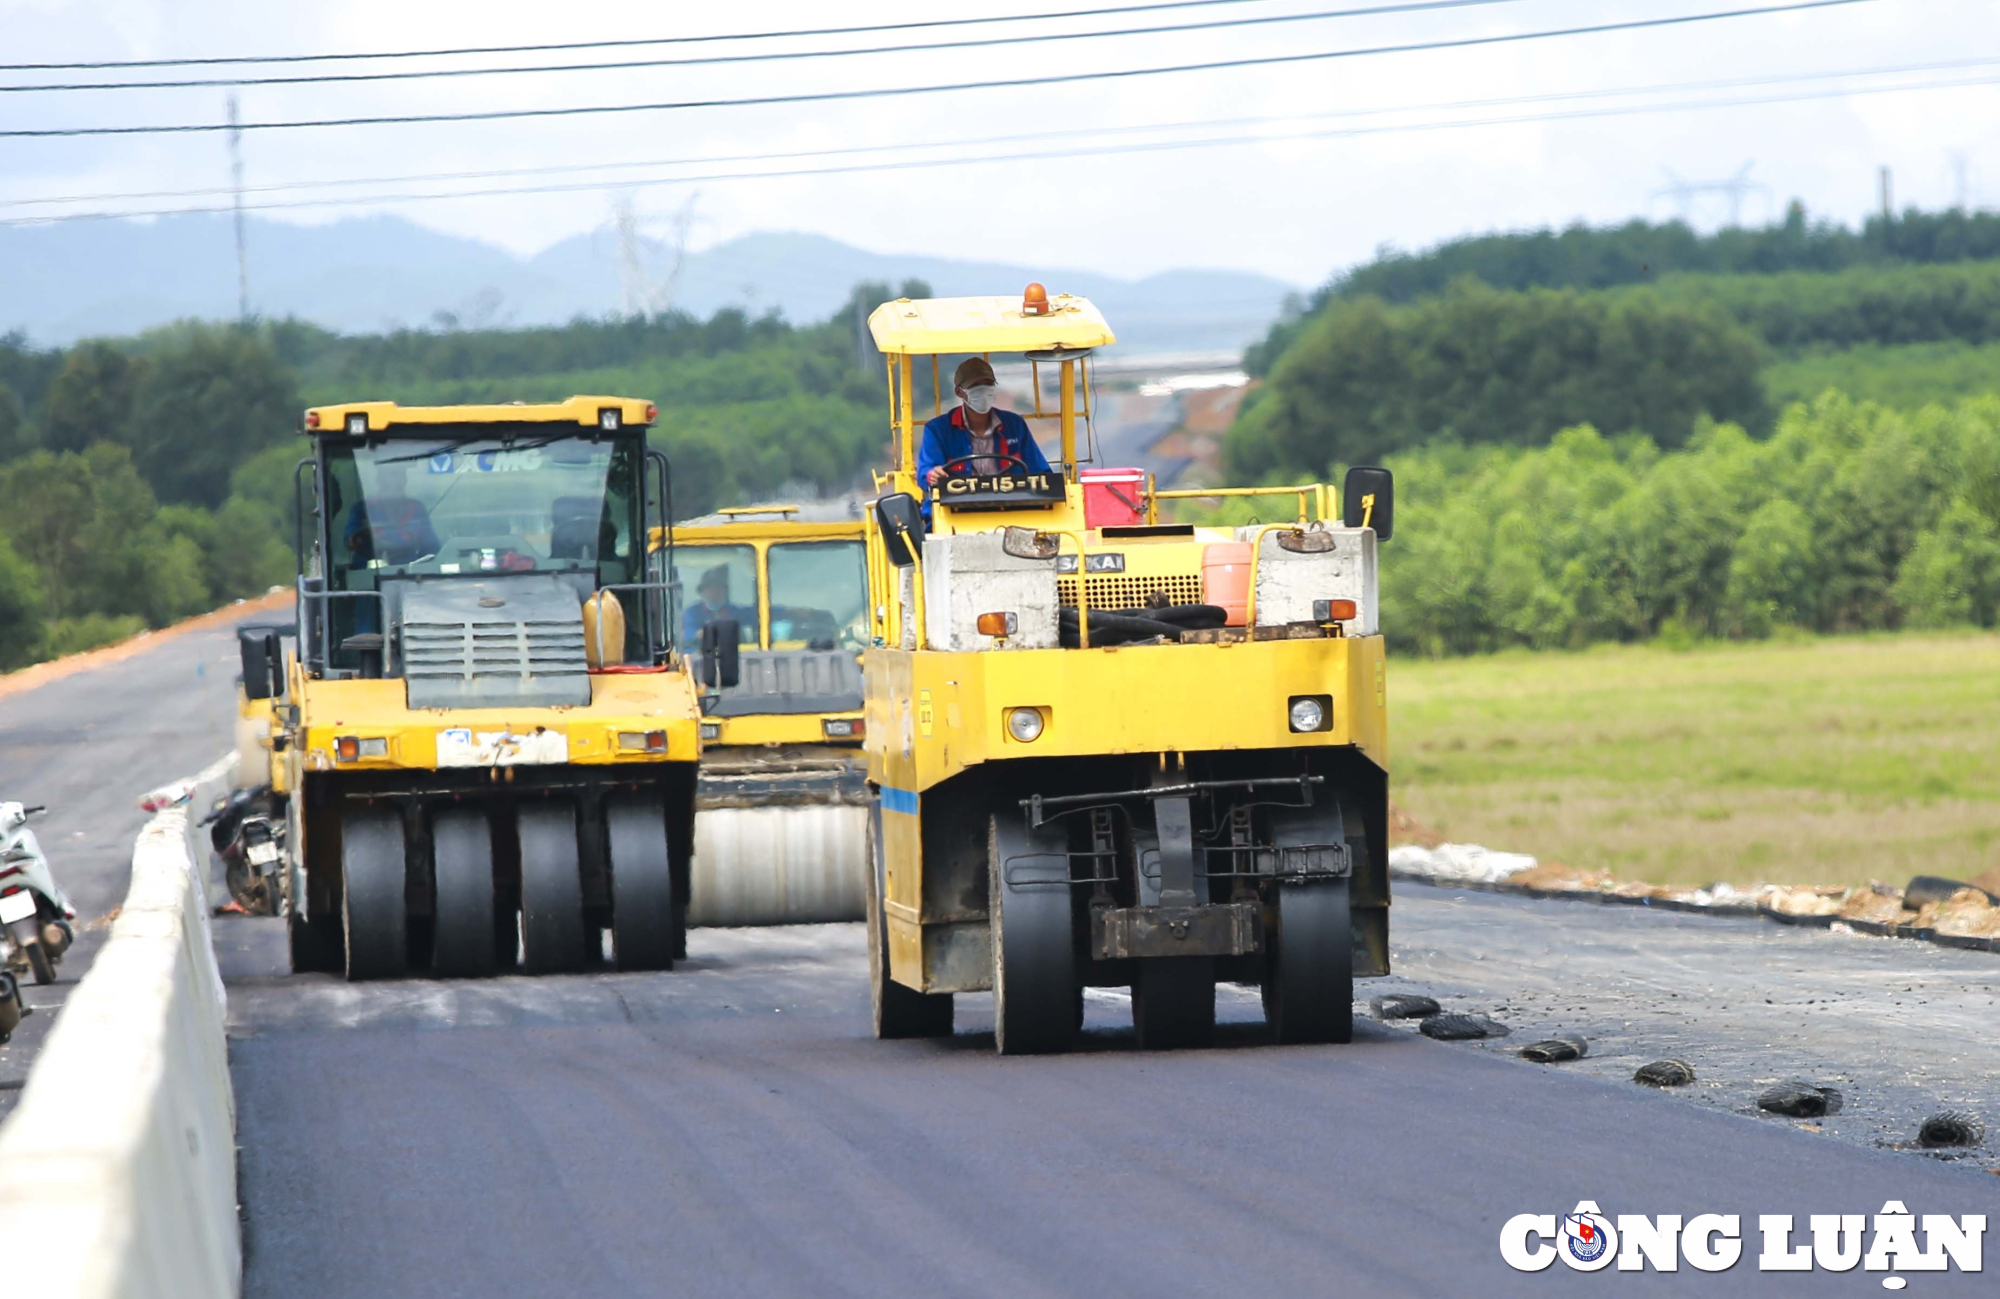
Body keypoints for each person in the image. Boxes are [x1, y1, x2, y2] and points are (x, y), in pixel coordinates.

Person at [916, 358, 1052, 513]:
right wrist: (932, 475)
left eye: (987, 384)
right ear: (959, 392)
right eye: (975, 386)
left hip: (1011, 509)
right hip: (956, 512)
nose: (983, 390)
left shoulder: (1015, 425)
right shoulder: (938, 430)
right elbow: (926, 472)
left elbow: (1040, 472)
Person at [344, 462, 440, 569]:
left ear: (405, 480)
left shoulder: (416, 508)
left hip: (411, 577)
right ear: (380, 480)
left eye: (400, 475)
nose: (397, 481)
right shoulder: (361, 509)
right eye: (391, 475)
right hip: (370, 578)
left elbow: (431, 548)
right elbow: (350, 541)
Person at [681, 565, 758, 644]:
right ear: (702, 591)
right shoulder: (693, 612)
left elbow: (758, 615)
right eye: (710, 588)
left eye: (719, 587)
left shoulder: (733, 611)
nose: (715, 591)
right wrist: (702, 633)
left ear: (725, 591)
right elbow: (688, 634)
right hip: (699, 654)